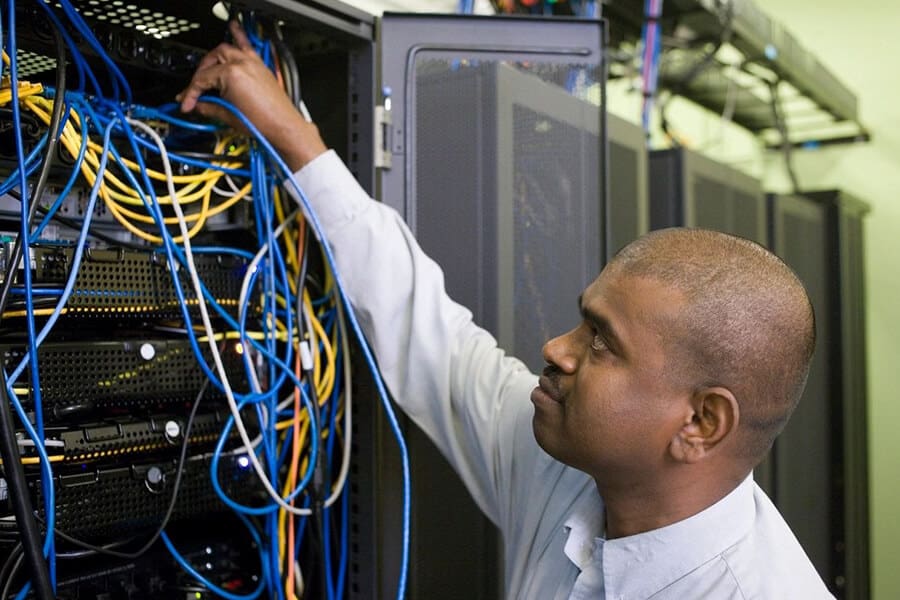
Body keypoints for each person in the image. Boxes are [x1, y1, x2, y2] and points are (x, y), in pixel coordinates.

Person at [179, 21, 834, 599]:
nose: (557, 348)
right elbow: (427, 330)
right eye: (585, 320)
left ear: (702, 421)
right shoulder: (563, 471)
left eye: (602, 341)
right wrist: (292, 137)